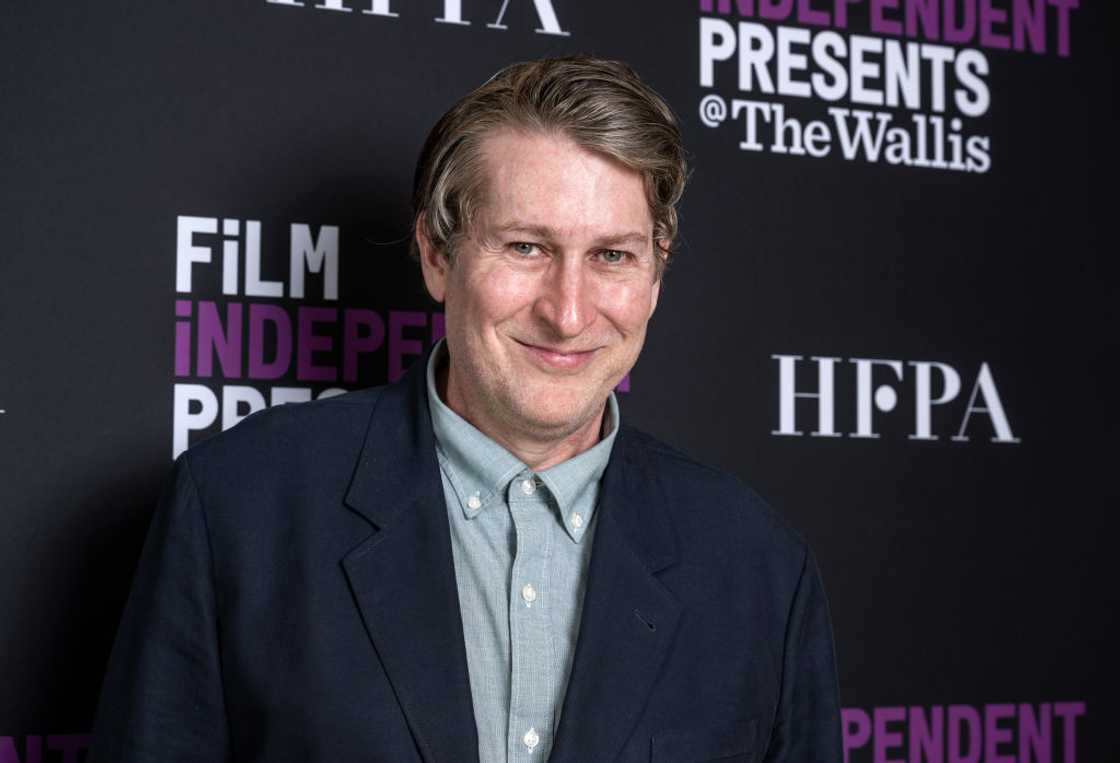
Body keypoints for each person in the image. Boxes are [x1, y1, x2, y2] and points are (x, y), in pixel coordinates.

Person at [91, 56, 841, 762]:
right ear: (437, 256)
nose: (568, 311)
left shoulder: (759, 566)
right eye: (525, 247)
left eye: (612, 255)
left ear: (655, 273)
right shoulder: (237, 508)